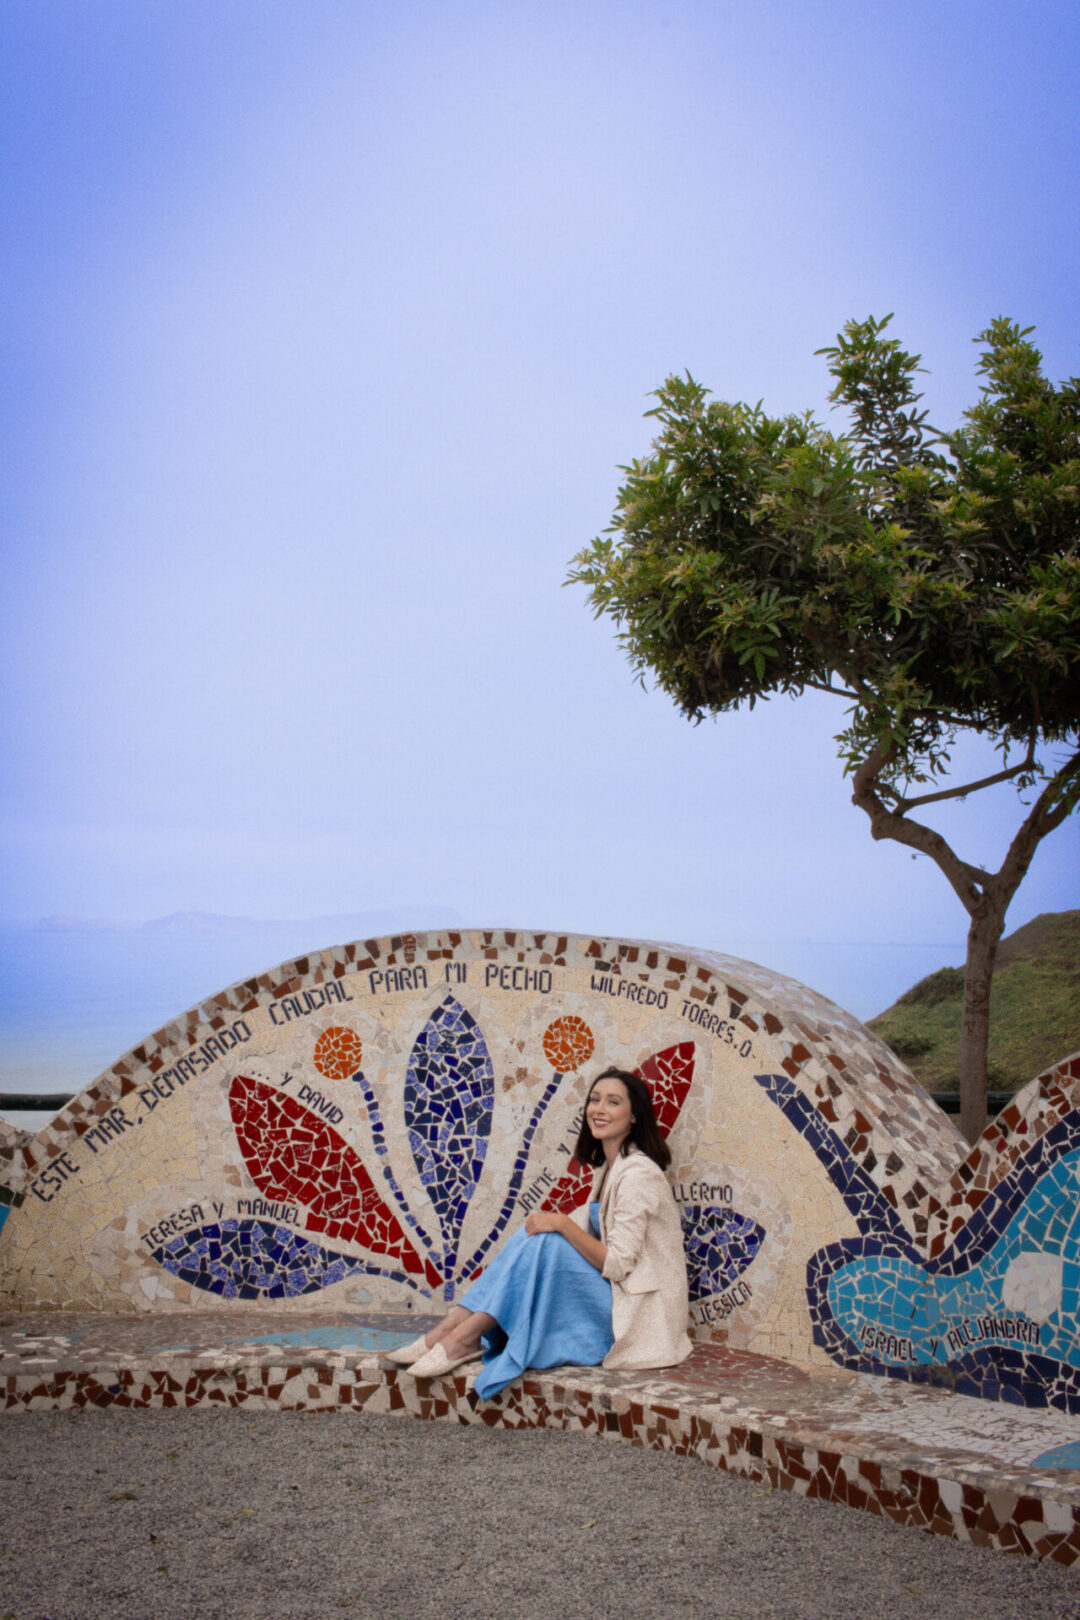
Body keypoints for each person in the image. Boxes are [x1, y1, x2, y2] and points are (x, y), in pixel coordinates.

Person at [384, 1066, 692, 1397]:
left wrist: (559, 1224)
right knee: (536, 1234)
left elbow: (617, 1264)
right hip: (618, 1296)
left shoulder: (638, 1175)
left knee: (550, 1238)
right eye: (595, 1100)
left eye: (613, 1102)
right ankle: (450, 1330)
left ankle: (462, 1337)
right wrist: (552, 1223)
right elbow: (579, 1228)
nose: (599, 1109)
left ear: (634, 1116)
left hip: (639, 1314)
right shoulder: (610, 1168)